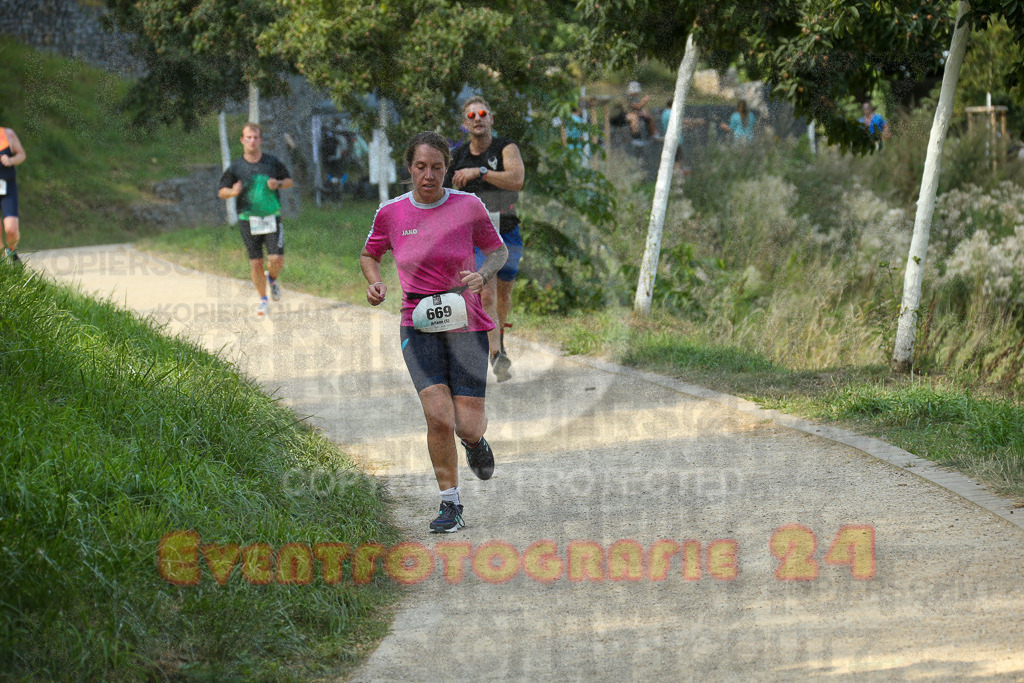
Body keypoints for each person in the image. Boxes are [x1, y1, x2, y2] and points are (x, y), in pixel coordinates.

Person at [361, 131, 508, 533]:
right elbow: (370, 253)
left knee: (467, 424)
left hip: (467, 321)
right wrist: (374, 283)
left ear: (448, 168)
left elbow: (498, 251)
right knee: (439, 417)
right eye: (421, 167)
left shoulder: (468, 206)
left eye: (437, 167)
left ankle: (475, 443)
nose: (429, 175)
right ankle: (451, 504)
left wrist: (482, 275)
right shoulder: (391, 212)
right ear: (409, 169)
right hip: (417, 323)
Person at [444, 96, 525, 383]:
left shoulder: (506, 147)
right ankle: (495, 355)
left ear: (491, 118)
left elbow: (516, 180)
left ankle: (498, 339)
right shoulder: (457, 157)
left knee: (503, 293)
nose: (477, 118)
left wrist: (480, 173)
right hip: (476, 235)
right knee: (486, 292)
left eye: (482, 113)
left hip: (506, 228)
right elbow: (443, 194)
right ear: (465, 124)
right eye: (471, 116)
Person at [217, 123, 294, 317]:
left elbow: (289, 181)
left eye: (255, 137)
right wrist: (233, 192)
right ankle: (263, 300)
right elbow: (221, 191)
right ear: (242, 140)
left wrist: (278, 183)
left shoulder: (271, 162)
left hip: (271, 217)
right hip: (248, 219)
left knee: (276, 259)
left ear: (260, 140)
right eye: (248, 137)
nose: (252, 141)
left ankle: (273, 279)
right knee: (256, 263)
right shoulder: (235, 167)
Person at [0, 126, 27, 264]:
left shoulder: (7, 134)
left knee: (11, 229)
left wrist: (10, 161)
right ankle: (2, 265)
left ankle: (11, 251)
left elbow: (21, 154)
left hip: (7, 186)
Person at [625, 81, 657, 145]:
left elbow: (639, 108)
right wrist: (644, 100)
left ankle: (654, 134)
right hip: (627, 116)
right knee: (634, 118)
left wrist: (643, 111)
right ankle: (636, 138)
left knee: (650, 118)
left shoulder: (635, 97)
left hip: (635, 114)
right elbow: (637, 106)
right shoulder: (628, 97)